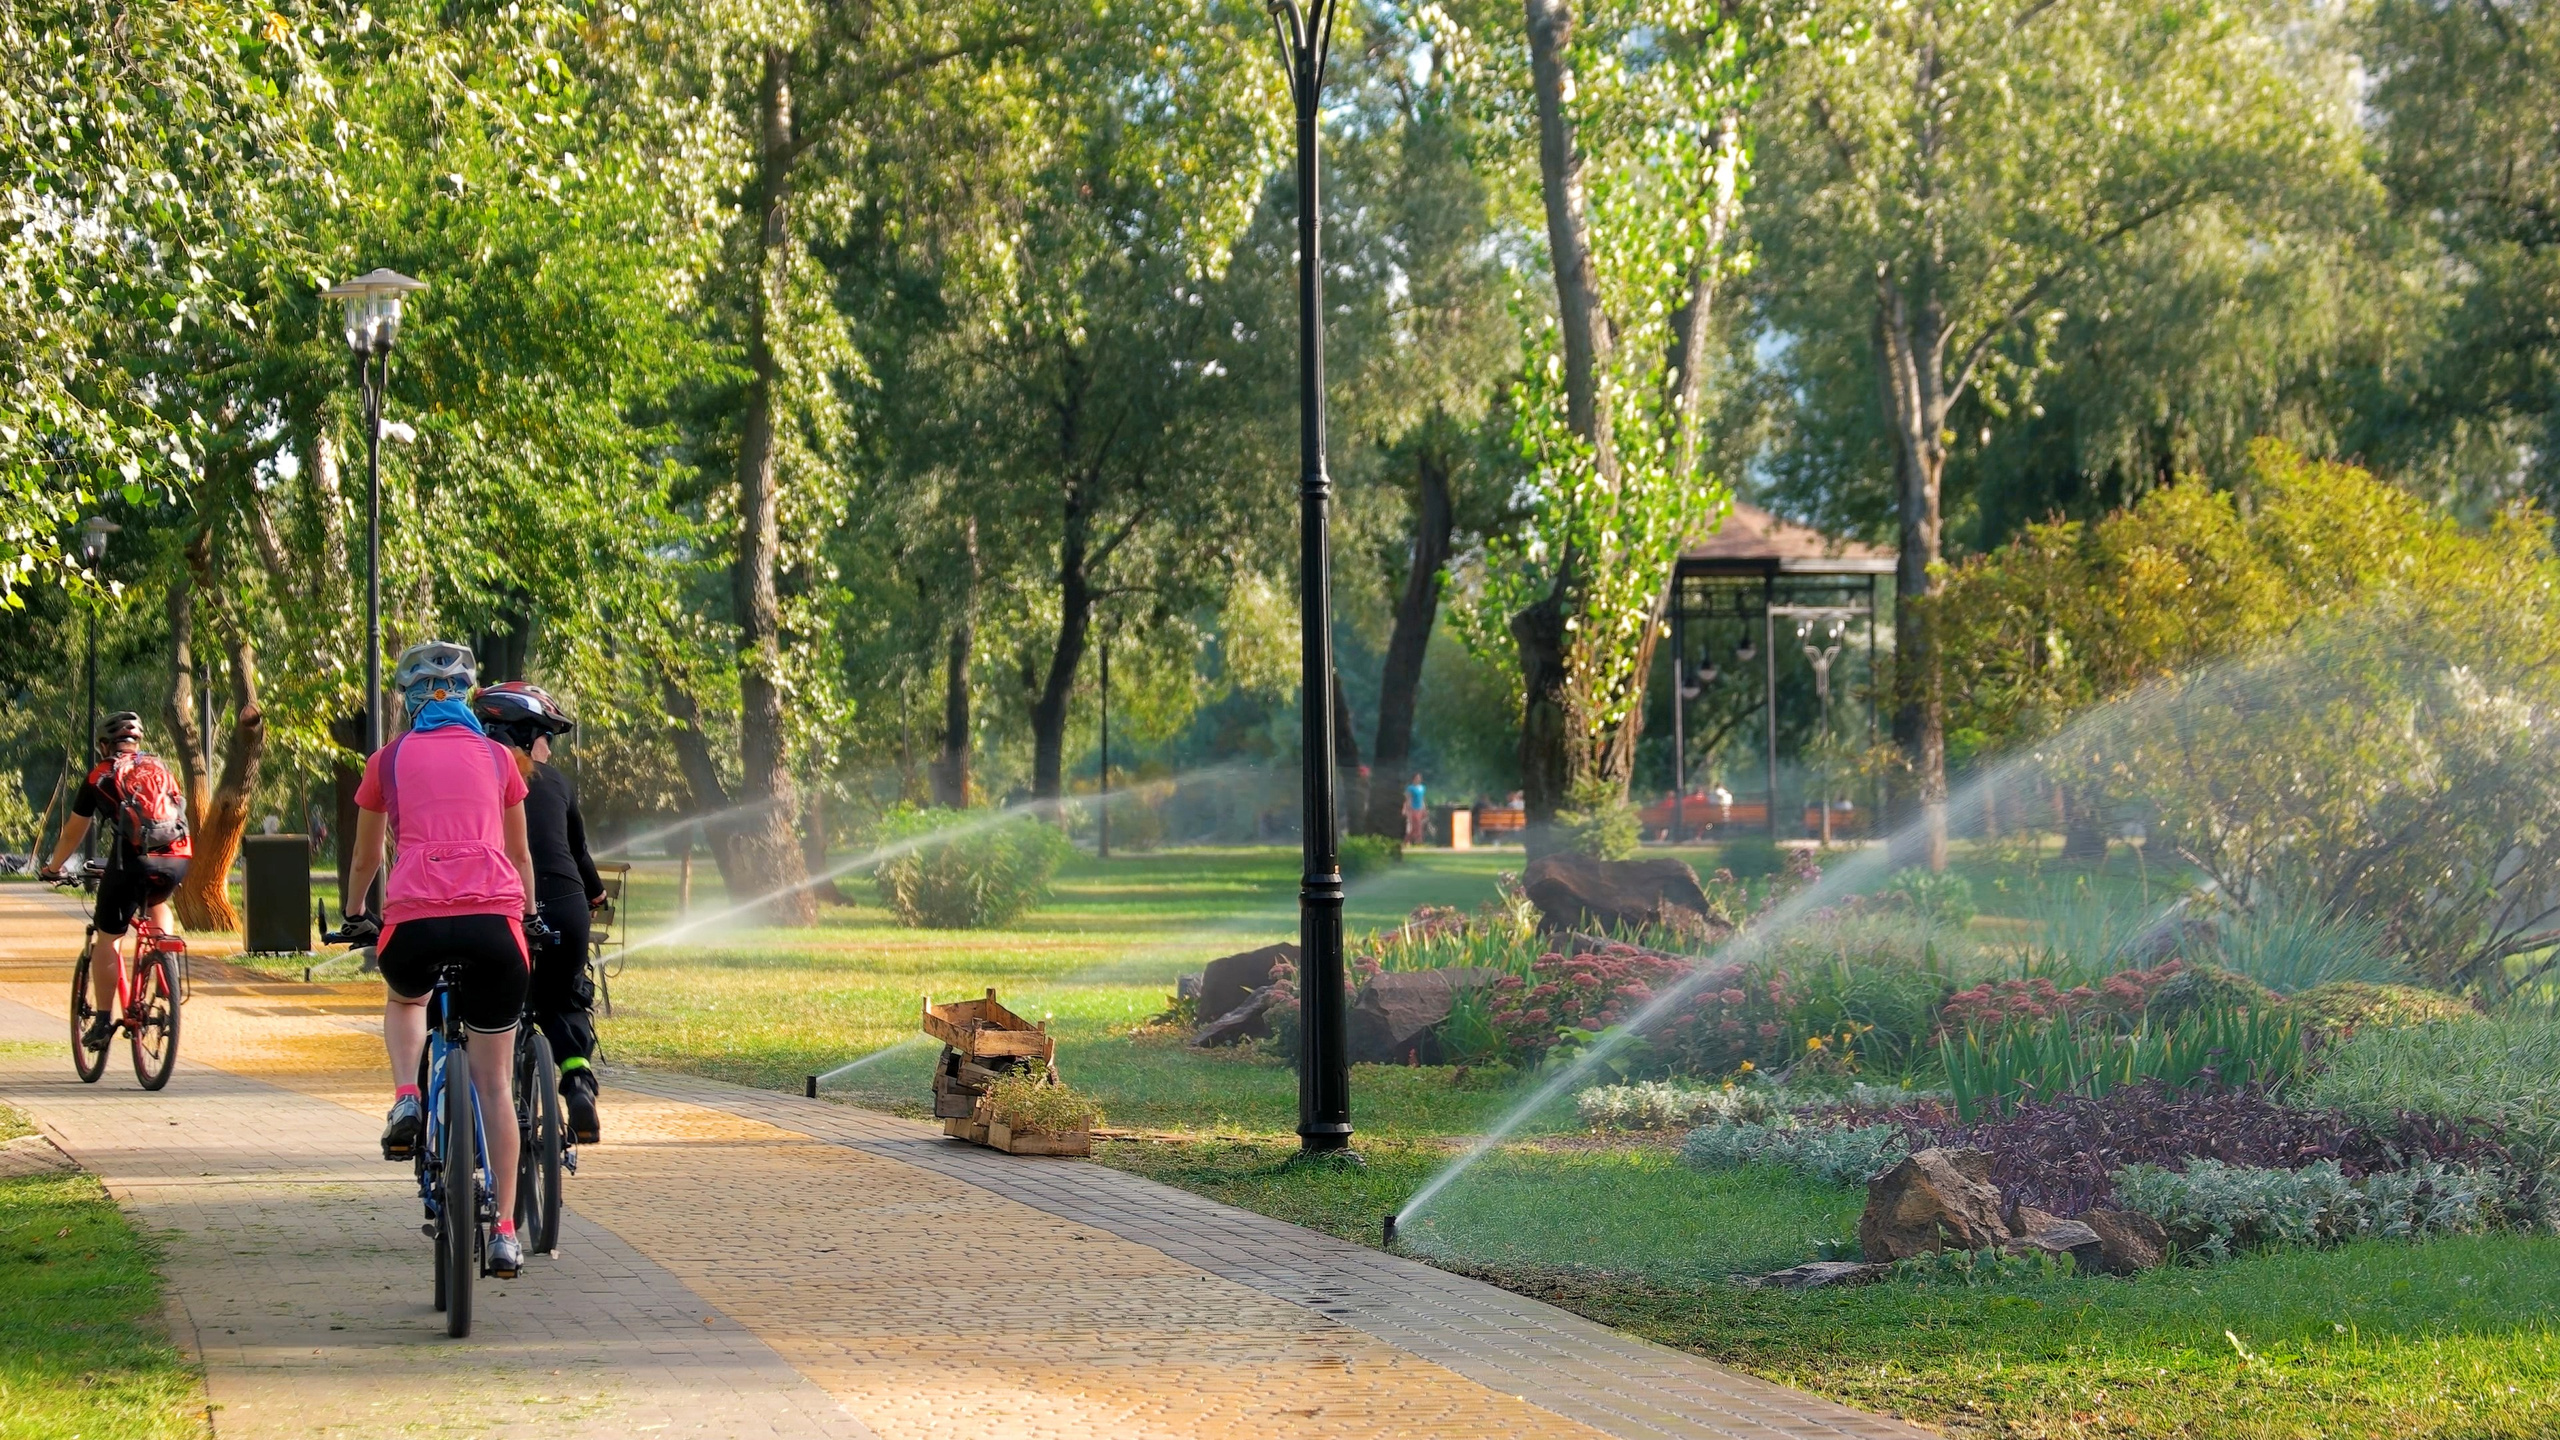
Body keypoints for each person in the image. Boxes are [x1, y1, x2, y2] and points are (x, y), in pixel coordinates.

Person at [339, 641, 542, 1278]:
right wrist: (528, 914)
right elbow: (521, 854)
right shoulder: (499, 758)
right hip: (493, 928)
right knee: (494, 1084)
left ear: (408, 699)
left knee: (405, 998)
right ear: (467, 697)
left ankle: (406, 1096)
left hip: (416, 926)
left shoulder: (388, 760)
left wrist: (353, 916)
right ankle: (506, 1231)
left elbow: (368, 859)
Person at [473, 681, 608, 1144]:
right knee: (564, 997)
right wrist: (595, 896)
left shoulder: (473, 779)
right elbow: (577, 852)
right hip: (567, 907)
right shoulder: (558, 783)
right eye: (546, 736)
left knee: (495, 1003)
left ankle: (484, 1111)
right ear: (523, 735)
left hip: (503, 907)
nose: (549, 748)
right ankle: (577, 1084)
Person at [41, 713, 192, 1051]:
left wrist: (53, 868)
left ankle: (103, 1020)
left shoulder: (100, 775)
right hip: (178, 858)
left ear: (103, 745)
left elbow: (73, 833)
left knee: (108, 939)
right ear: (137, 742)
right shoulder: (160, 768)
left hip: (134, 862)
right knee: (156, 902)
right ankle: (163, 963)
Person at [1402, 772, 1428, 846]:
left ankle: (1418, 840)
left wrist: (1425, 808)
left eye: (1419, 778)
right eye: (1417, 777)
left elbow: (1422, 799)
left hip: (1420, 808)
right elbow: (1408, 799)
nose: (1418, 779)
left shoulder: (1422, 788)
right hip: (1413, 808)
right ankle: (1408, 840)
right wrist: (1407, 809)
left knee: (1419, 825)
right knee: (1414, 825)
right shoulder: (1410, 788)